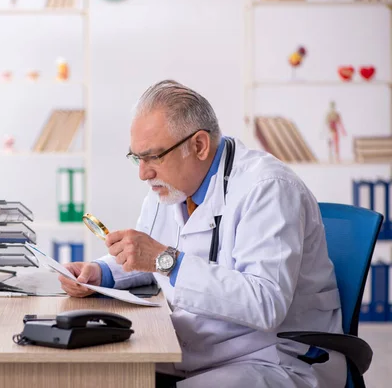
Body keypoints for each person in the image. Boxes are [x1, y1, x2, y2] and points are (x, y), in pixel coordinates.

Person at [58, 80, 346, 387]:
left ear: (198, 145)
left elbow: (266, 303)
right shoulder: (170, 189)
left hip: (273, 359)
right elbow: (148, 256)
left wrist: (166, 260)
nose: (143, 173)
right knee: (89, 375)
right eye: (137, 158)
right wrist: (100, 273)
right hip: (198, 348)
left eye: (153, 157)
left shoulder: (267, 189)